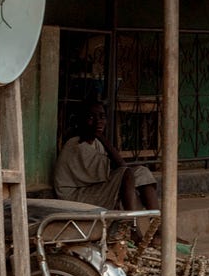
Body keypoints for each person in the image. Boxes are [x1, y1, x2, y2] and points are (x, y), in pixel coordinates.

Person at [53, 101, 161, 236]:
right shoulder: (76, 146)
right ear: (81, 120)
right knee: (126, 175)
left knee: (141, 172)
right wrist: (102, 138)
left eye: (102, 117)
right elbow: (121, 167)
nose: (98, 121)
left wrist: (100, 139)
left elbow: (118, 169)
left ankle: (159, 229)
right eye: (91, 117)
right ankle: (132, 228)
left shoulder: (96, 143)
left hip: (91, 188)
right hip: (75, 196)